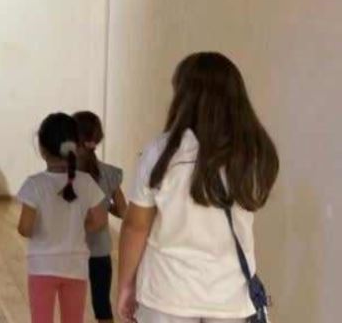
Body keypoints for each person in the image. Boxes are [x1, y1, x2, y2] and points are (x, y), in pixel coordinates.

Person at [117, 52, 279, 323]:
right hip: (231, 295)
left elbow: (136, 226)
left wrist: (125, 284)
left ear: (183, 97)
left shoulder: (162, 152)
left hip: (167, 293)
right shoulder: (252, 153)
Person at [17, 113, 108, 323]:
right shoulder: (86, 182)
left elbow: (25, 228)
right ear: (75, 147)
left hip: (42, 266)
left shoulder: (34, 184)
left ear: (42, 149)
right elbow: (100, 220)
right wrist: (78, 227)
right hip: (76, 266)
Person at [73, 110, 128, 323]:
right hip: (100, 251)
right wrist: (105, 206)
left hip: (69, 250)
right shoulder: (109, 173)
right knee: (102, 305)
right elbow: (123, 211)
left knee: (70, 304)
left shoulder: (64, 175)